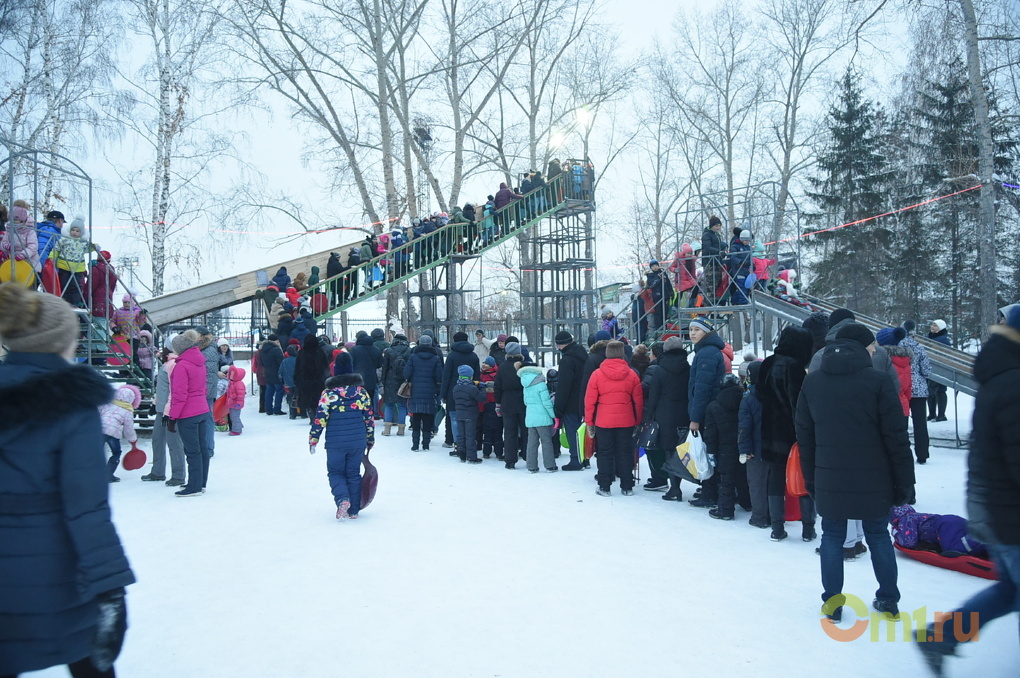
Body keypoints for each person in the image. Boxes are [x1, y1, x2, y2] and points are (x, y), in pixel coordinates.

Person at [0, 283, 135, 678]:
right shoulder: (71, 408)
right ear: (65, 341)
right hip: (56, 575)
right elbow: (87, 508)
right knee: (90, 662)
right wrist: (111, 590)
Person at [915, 307, 1020, 674]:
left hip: (996, 507)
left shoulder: (1001, 377)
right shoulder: (1014, 384)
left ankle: (941, 635)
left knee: (1010, 591)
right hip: (1011, 512)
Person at [796, 322, 915, 623]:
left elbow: (805, 437)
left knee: (832, 538)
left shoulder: (813, 382)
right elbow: (895, 436)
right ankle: (888, 599)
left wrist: (811, 478)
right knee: (878, 535)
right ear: (862, 347)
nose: (875, 349)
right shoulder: (877, 381)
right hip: (874, 477)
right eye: (872, 345)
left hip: (829, 476)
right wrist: (904, 481)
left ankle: (832, 604)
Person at [757, 325, 816, 541]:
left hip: (769, 430)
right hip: (792, 434)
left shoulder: (769, 363)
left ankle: (777, 528)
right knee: (802, 476)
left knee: (775, 477)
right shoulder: (795, 366)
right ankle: (808, 528)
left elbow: (760, 395)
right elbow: (797, 404)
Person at [309, 352, 374, 521]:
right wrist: (370, 439)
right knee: (353, 473)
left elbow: (320, 418)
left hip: (335, 443)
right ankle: (354, 509)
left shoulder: (328, 394)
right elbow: (369, 417)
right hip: (357, 441)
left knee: (335, 472)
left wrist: (314, 438)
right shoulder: (361, 393)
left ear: (335, 369)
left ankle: (342, 499)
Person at [585, 340, 643, 497]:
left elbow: (589, 401)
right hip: (626, 421)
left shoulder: (597, 374)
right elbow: (638, 401)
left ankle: (604, 486)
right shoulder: (632, 374)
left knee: (604, 452)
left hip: (603, 421)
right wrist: (637, 421)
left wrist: (590, 422)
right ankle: (627, 486)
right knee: (625, 452)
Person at [642, 336, 691, 499]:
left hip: (665, 415)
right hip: (684, 413)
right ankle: (678, 484)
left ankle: (674, 488)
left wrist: (649, 417)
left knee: (669, 450)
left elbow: (654, 396)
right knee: (680, 449)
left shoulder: (660, 369)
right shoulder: (688, 368)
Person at [168, 329, 213, 497]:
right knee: (202, 449)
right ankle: (200, 483)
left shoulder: (182, 366)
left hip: (188, 413)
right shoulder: (199, 362)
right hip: (202, 409)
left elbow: (179, 395)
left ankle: (193, 487)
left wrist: (172, 417)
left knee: (192, 451)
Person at [687, 317, 726, 507]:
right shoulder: (706, 351)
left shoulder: (707, 353)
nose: (693, 333)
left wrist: (695, 418)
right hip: (709, 409)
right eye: (691, 330)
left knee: (706, 451)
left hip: (707, 412)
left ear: (706, 332)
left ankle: (710, 492)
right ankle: (708, 488)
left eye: (697, 330)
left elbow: (702, 388)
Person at [704, 374, 749, 520]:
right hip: (743, 445)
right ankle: (747, 502)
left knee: (726, 479)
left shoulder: (713, 406)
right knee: (743, 476)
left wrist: (710, 451)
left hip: (723, 449)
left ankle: (726, 510)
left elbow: (710, 433)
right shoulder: (745, 401)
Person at [144, 339, 187, 485]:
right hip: (161, 411)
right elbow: (163, 390)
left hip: (170, 411)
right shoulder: (167, 364)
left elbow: (175, 391)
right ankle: (157, 472)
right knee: (157, 439)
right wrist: (155, 404)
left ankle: (178, 475)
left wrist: (169, 412)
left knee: (173, 443)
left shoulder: (174, 365)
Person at [739, 360, 769, 528]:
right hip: (776, 446)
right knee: (773, 483)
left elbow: (744, 427)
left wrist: (744, 449)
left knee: (757, 483)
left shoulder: (749, 399)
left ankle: (759, 517)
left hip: (755, 448)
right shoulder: (778, 393)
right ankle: (774, 515)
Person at [440, 331, 480, 454]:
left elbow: (446, 376)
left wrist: (443, 394)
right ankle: (469, 444)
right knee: (469, 419)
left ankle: (458, 445)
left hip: (454, 391)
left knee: (454, 419)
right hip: (470, 391)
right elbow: (477, 375)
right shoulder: (473, 356)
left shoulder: (452, 356)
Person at [553, 330, 588, 471]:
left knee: (572, 431)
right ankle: (584, 458)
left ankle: (575, 459)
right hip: (584, 400)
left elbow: (563, 386)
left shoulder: (567, 360)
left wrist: (558, 407)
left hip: (571, 402)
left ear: (560, 345)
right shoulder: (583, 355)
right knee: (583, 431)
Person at [901, 319, 933, 464]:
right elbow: (926, 370)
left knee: (902, 423)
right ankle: (922, 454)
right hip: (919, 389)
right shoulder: (919, 347)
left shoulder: (898, 346)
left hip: (903, 387)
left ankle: (903, 452)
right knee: (920, 423)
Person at [403, 335, 443, 451]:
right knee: (428, 418)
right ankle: (426, 444)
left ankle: (415, 445)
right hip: (430, 392)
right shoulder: (435, 358)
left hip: (415, 391)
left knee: (416, 418)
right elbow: (439, 376)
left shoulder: (413, 357)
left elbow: (406, 373)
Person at [518, 361, 558, 473]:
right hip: (543, 418)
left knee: (532, 443)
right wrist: (553, 415)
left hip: (530, 417)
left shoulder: (525, 385)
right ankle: (550, 466)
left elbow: (526, 402)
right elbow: (546, 402)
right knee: (546, 442)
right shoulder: (540, 384)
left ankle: (531, 466)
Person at [494, 341, 529, 469]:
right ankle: (527, 454)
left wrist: (498, 402)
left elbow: (497, 387)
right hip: (524, 401)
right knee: (526, 430)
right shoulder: (524, 366)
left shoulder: (502, 367)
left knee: (509, 432)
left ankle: (510, 460)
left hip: (507, 402)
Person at [99, 384, 142, 483]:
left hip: (99, 430)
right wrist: (133, 440)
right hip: (113, 434)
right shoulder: (127, 411)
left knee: (96, 452)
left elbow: (97, 410)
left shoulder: (108, 404)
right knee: (116, 452)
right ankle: (108, 475)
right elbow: (128, 429)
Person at [49, 216, 93, 307]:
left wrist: (95, 247)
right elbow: (56, 249)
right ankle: (64, 301)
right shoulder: (65, 240)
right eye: (73, 230)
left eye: (77, 231)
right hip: (64, 265)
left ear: (81, 233)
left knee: (75, 285)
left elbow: (89, 248)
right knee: (64, 284)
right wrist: (51, 257)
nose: (74, 233)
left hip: (77, 268)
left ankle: (75, 302)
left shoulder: (83, 242)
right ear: (69, 230)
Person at [451, 364, 486, 463]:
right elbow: (482, 398)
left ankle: (462, 455)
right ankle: (472, 457)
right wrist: (482, 388)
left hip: (459, 414)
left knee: (461, 435)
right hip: (471, 415)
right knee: (470, 436)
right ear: (471, 376)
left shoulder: (456, 388)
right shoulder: (472, 388)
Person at [380, 333, 412, 436]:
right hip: (403, 380)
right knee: (402, 405)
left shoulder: (389, 351)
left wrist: (383, 381)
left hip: (390, 380)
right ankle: (401, 429)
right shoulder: (409, 351)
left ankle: (387, 430)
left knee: (389, 405)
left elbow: (384, 367)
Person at [295, 334, 330, 420]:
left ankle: (312, 415)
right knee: (318, 399)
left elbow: (298, 367)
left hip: (305, 380)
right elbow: (325, 366)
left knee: (308, 399)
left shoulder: (302, 353)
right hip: (318, 380)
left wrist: (297, 379)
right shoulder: (320, 351)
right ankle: (317, 415)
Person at [351, 331, 383, 407]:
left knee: (357, 400)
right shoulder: (376, 349)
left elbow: (350, 363)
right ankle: (369, 415)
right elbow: (379, 365)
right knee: (369, 400)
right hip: (371, 379)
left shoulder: (354, 350)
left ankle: (359, 416)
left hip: (357, 378)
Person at [927, 319, 950, 422]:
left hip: (940, 367)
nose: (933, 327)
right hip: (929, 366)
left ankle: (941, 414)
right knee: (929, 390)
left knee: (940, 390)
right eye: (932, 324)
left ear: (940, 328)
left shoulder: (943, 339)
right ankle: (931, 414)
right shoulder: (928, 337)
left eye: (935, 325)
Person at [700, 215, 726, 305]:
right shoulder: (706, 235)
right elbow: (707, 247)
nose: (718, 227)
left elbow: (717, 245)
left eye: (719, 225)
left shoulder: (717, 235)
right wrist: (718, 252)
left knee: (718, 282)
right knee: (710, 284)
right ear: (711, 226)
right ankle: (708, 303)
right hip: (709, 262)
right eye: (716, 226)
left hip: (717, 262)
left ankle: (715, 302)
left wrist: (723, 248)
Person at [259, 334, 286, 415]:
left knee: (269, 391)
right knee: (279, 391)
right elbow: (281, 362)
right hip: (277, 373)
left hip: (268, 372)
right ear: (274, 341)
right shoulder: (276, 350)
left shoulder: (263, 350)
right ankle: (277, 409)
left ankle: (268, 409)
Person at [646, 259, 674, 332]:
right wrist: (658, 278)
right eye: (653, 266)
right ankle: (659, 328)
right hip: (657, 297)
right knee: (658, 313)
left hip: (665, 296)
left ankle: (665, 326)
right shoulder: (650, 275)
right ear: (651, 268)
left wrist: (671, 292)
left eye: (656, 265)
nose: (655, 267)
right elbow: (651, 284)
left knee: (665, 311)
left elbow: (668, 283)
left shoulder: (663, 273)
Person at [226, 364, 246, 435]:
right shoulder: (232, 383)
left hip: (236, 404)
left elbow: (241, 395)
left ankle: (236, 430)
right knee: (233, 416)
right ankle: (239, 425)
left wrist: (238, 403)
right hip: (232, 403)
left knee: (235, 417)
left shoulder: (238, 384)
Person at [279, 344, 299, 418]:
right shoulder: (299, 360)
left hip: (289, 381)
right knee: (300, 396)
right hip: (298, 381)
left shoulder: (285, 361)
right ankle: (302, 412)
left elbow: (280, 372)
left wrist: (283, 381)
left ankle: (292, 414)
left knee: (291, 396)